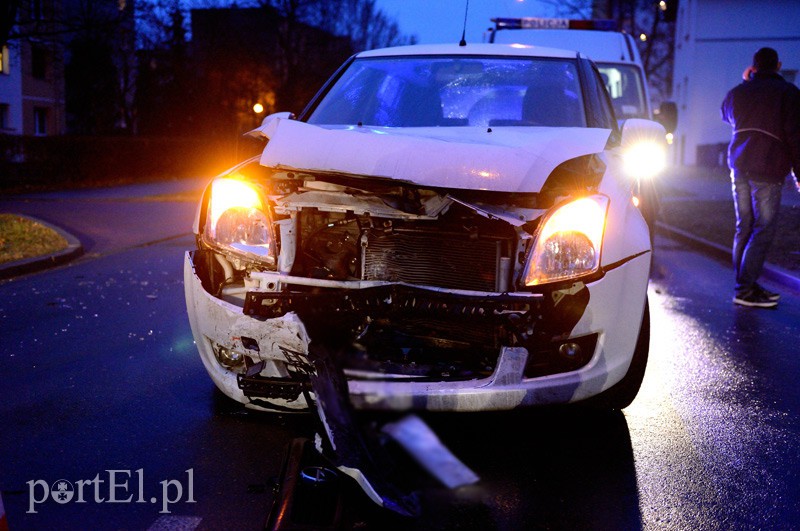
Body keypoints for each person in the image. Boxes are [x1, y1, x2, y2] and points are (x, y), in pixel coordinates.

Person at [721, 47, 800, 308]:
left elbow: (725, 113)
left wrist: (746, 83)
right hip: (767, 167)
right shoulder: (789, 94)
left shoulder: (738, 93)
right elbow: (796, 137)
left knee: (745, 227)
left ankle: (746, 285)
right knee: (762, 229)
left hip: (739, 167)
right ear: (777, 65)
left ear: (753, 67)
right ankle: (744, 290)